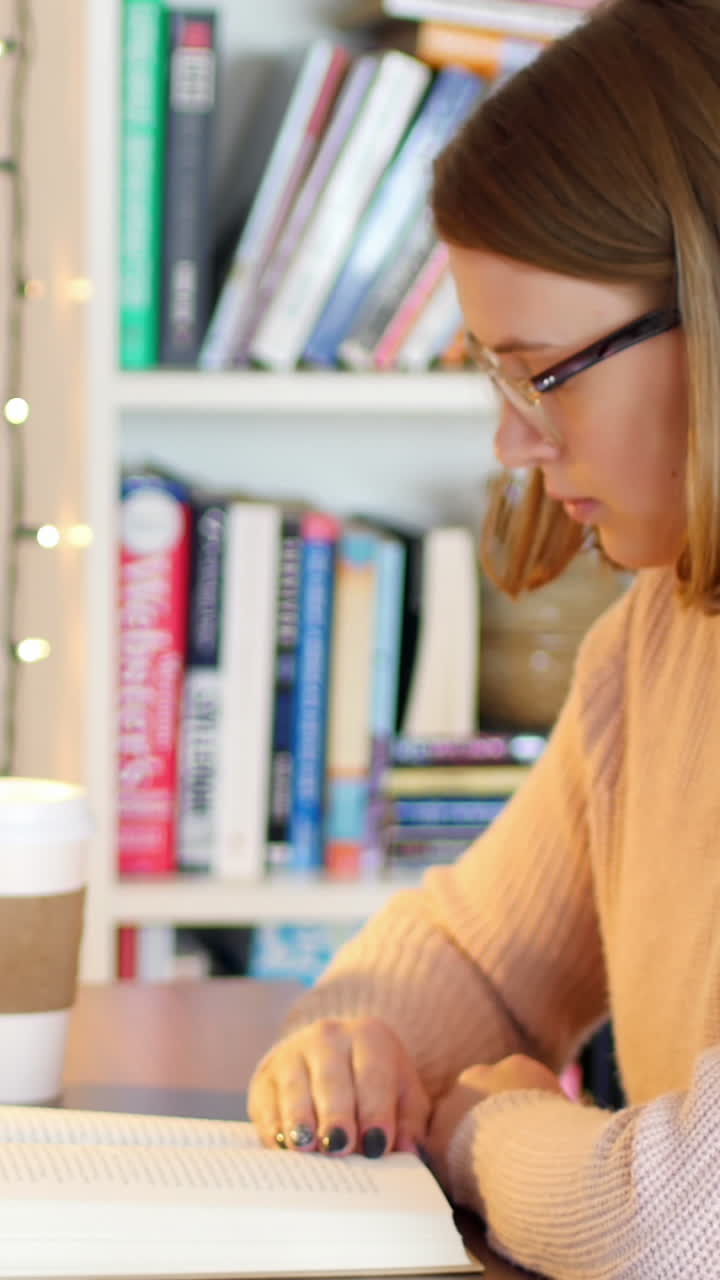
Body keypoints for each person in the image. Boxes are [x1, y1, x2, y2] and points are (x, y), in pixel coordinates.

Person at [248, 1, 720, 1274]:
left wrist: (477, 1131)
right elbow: (475, 948)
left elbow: (676, 1221)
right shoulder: (659, 641)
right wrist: (348, 1046)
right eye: (495, 382)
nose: (513, 441)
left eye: (541, 370)